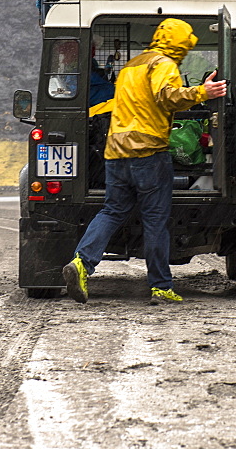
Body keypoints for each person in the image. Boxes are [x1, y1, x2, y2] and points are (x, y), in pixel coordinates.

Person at [63, 18, 227, 305]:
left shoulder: (131, 65)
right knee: (154, 221)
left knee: (112, 211)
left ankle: (81, 263)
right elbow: (167, 97)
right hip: (148, 153)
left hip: (115, 154)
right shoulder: (163, 64)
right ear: (179, 44)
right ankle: (161, 287)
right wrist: (204, 92)